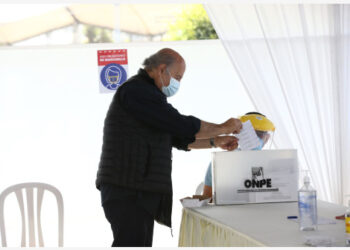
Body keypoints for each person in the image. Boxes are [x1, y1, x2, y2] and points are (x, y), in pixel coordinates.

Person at [95, 48, 243, 247]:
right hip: (127, 189)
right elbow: (180, 125)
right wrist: (223, 127)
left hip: (136, 190)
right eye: (178, 77)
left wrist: (216, 141)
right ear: (161, 69)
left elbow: (177, 137)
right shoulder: (137, 91)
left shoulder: (149, 96)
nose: (178, 84)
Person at [202, 112, 275, 198]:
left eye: (259, 134)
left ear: (267, 138)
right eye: (251, 132)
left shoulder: (275, 164)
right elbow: (207, 198)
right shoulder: (220, 161)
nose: (254, 138)